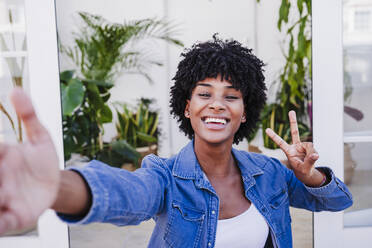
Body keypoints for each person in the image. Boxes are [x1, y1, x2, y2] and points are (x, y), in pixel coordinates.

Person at [0, 35, 352, 248]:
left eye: (231, 96)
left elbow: (338, 201)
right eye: (204, 93)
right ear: (187, 107)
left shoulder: (270, 173)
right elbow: (126, 193)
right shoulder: (164, 177)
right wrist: (54, 186)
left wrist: (312, 178)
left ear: (245, 112)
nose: (216, 104)